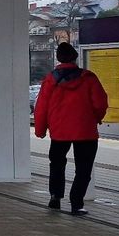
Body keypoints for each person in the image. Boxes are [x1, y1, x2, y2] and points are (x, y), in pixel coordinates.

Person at [34, 42, 108, 216]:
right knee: (83, 168)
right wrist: (95, 118)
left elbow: (41, 107)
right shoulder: (88, 78)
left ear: (58, 59)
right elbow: (100, 103)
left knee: (57, 164)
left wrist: (40, 130)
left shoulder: (50, 79)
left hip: (59, 131)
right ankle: (77, 204)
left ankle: (55, 197)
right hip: (85, 130)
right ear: (75, 58)